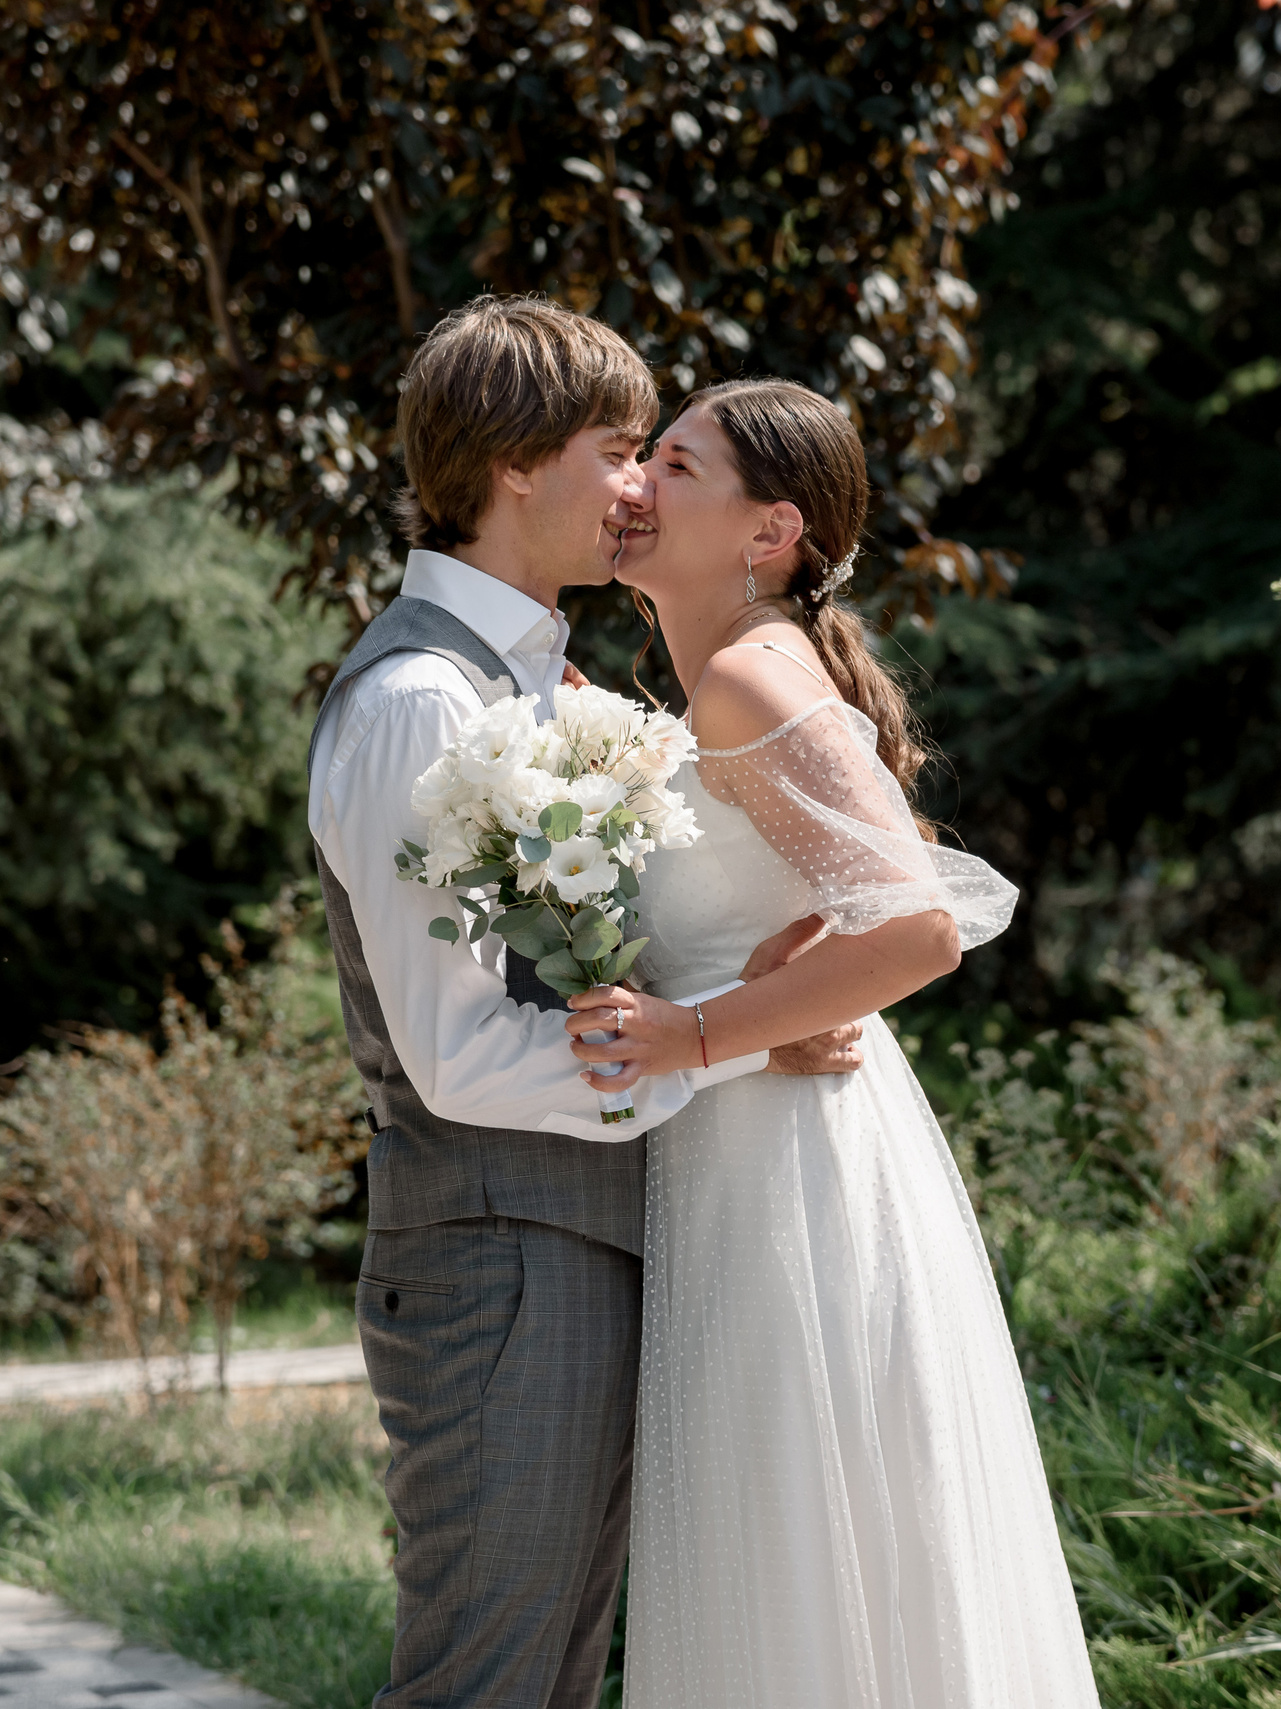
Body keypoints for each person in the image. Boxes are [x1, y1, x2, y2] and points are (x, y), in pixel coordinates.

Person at [306, 300, 866, 1709]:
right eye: (619, 449)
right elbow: (456, 1055)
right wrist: (730, 1043)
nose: (637, 487)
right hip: (496, 1263)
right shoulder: (420, 701)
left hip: (573, 1245)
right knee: (483, 1689)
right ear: (513, 463)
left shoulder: (543, 685)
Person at [567, 379, 1102, 1707]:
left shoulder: (748, 676)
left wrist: (696, 1034)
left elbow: (918, 928)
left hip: (787, 1175)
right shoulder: (723, 677)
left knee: (794, 1545)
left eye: (676, 466)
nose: (636, 486)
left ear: (772, 532)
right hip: (758, 1150)